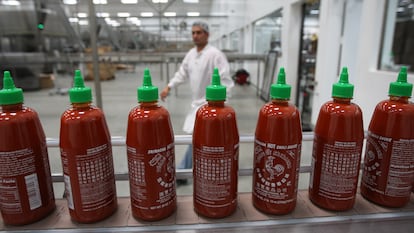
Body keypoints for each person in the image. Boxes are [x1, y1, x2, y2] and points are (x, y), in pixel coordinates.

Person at [160, 21, 234, 185]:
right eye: (193, 33)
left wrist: (221, 105)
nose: (195, 35)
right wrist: (169, 86)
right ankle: (200, 167)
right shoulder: (191, 54)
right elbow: (182, 73)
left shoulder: (215, 55)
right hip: (197, 104)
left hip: (212, 105)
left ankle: (182, 172)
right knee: (202, 138)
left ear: (207, 34)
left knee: (197, 137)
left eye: (199, 32)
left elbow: (226, 81)